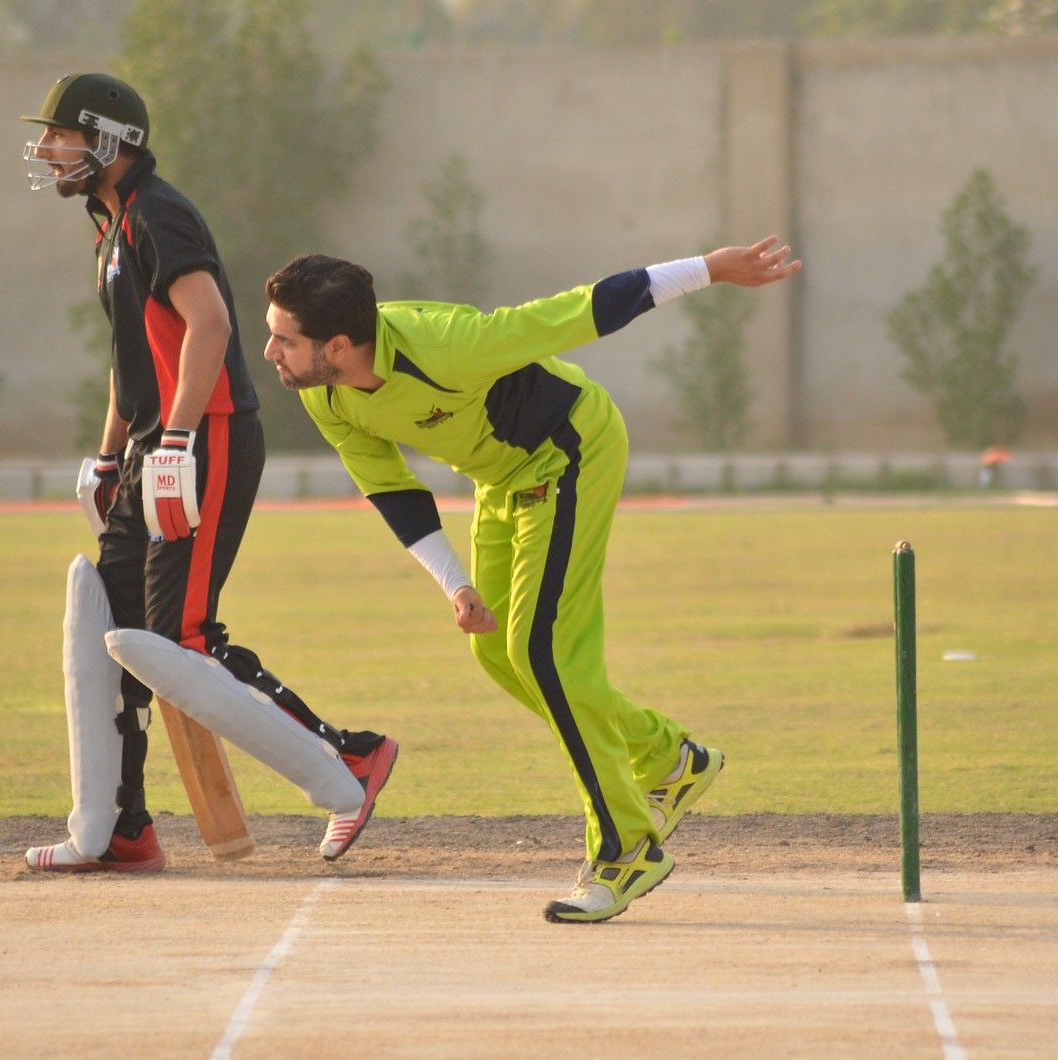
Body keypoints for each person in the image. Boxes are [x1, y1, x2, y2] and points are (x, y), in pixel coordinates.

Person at [262, 237, 800, 921]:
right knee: (497, 649)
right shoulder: (328, 394)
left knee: (544, 652)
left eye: (284, 339)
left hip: (570, 449)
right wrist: (455, 584)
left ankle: (627, 849)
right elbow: (392, 490)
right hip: (501, 479)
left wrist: (712, 269)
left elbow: (581, 310)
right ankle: (669, 758)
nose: (270, 351)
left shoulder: (446, 345)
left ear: (338, 345)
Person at [19, 73, 397, 872]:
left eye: (61, 134)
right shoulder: (110, 224)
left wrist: (178, 441)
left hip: (207, 436)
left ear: (110, 142)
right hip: (156, 445)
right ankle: (126, 829)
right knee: (119, 632)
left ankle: (351, 756)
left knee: (181, 641)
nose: (48, 149)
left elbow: (211, 324)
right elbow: (134, 359)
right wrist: (111, 454)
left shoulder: (158, 213)